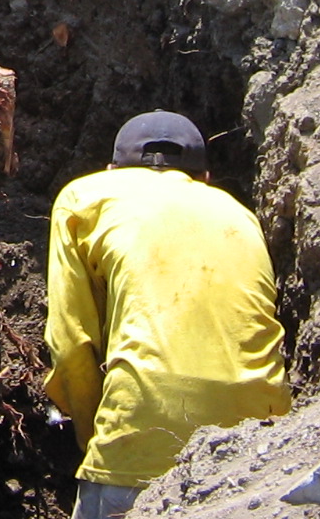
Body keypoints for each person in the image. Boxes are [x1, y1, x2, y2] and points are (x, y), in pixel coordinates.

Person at [43, 111, 291, 519]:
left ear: (113, 171)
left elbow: (71, 342)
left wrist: (95, 444)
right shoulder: (238, 212)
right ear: (204, 178)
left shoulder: (85, 198)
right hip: (260, 444)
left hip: (141, 436)